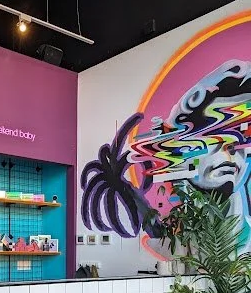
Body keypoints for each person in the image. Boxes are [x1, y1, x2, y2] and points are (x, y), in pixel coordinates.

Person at [81, 60, 251, 251]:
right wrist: (128, 192)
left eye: (242, 138)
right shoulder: (171, 234)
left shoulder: (240, 232)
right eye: (216, 137)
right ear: (182, 147)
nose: (231, 152)